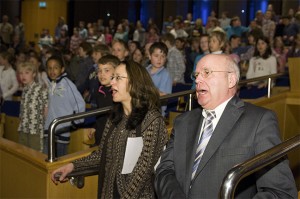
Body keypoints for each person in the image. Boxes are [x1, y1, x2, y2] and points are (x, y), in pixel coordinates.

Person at [154, 54, 297, 198]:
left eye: (207, 73)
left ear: (230, 80)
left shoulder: (259, 121)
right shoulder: (182, 122)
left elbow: (280, 192)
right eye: (196, 75)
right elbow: (164, 171)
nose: (197, 79)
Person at [51, 60, 168, 198]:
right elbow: (102, 155)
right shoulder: (114, 117)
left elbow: (143, 172)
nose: (112, 83)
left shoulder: (152, 120)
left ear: (135, 83)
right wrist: (73, 166)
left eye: (118, 78)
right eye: (113, 78)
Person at [44, 55, 85, 157]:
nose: (52, 71)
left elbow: (80, 103)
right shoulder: (50, 84)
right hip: (48, 129)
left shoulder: (67, 84)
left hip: (62, 129)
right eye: (49, 68)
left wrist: (76, 122)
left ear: (62, 69)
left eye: (55, 68)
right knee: (46, 160)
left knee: (59, 163)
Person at [87, 54, 119, 146]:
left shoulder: (118, 93)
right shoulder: (99, 91)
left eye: (106, 70)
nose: (102, 74)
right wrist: (95, 127)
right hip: (100, 136)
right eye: (99, 70)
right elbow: (100, 114)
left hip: (113, 139)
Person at [17, 62, 48, 152]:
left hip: (36, 129)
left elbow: (46, 108)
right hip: (24, 127)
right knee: (23, 153)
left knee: (35, 154)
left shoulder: (40, 88)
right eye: (21, 73)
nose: (23, 76)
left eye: (27, 73)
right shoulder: (25, 89)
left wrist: (46, 127)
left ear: (34, 74)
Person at [146, 42, 172, 116]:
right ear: (149, 56)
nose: (159, 59)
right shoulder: (144, 71)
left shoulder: (166, 75)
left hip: (157, 112)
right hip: (142, 109)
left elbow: (164, 96)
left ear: (166, 58)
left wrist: (146, 89)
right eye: (156, 56)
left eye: (163, 56)